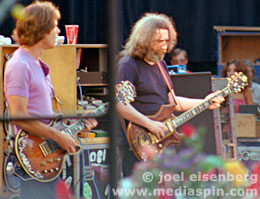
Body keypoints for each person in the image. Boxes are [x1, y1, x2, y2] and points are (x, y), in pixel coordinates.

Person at [4, 1, 97, 199]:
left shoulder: (39, 65)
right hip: (32, 157)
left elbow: (44, 116)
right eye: (54, 27)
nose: (58, 31)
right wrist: (58, 136)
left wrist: (75, 124)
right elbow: (18, 116)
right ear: (40, 30)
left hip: (46, 158)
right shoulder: (20, 65)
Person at [115, 12, 224, 177]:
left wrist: (205, 102)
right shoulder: (128, 65)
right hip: (139, 144)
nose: (165, 47)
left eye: (167, 41)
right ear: (144, 39)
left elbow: (174, 103)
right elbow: (121, 105)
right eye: (159, 41)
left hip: (163, 144)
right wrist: (150, 124)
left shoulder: (161, 65)